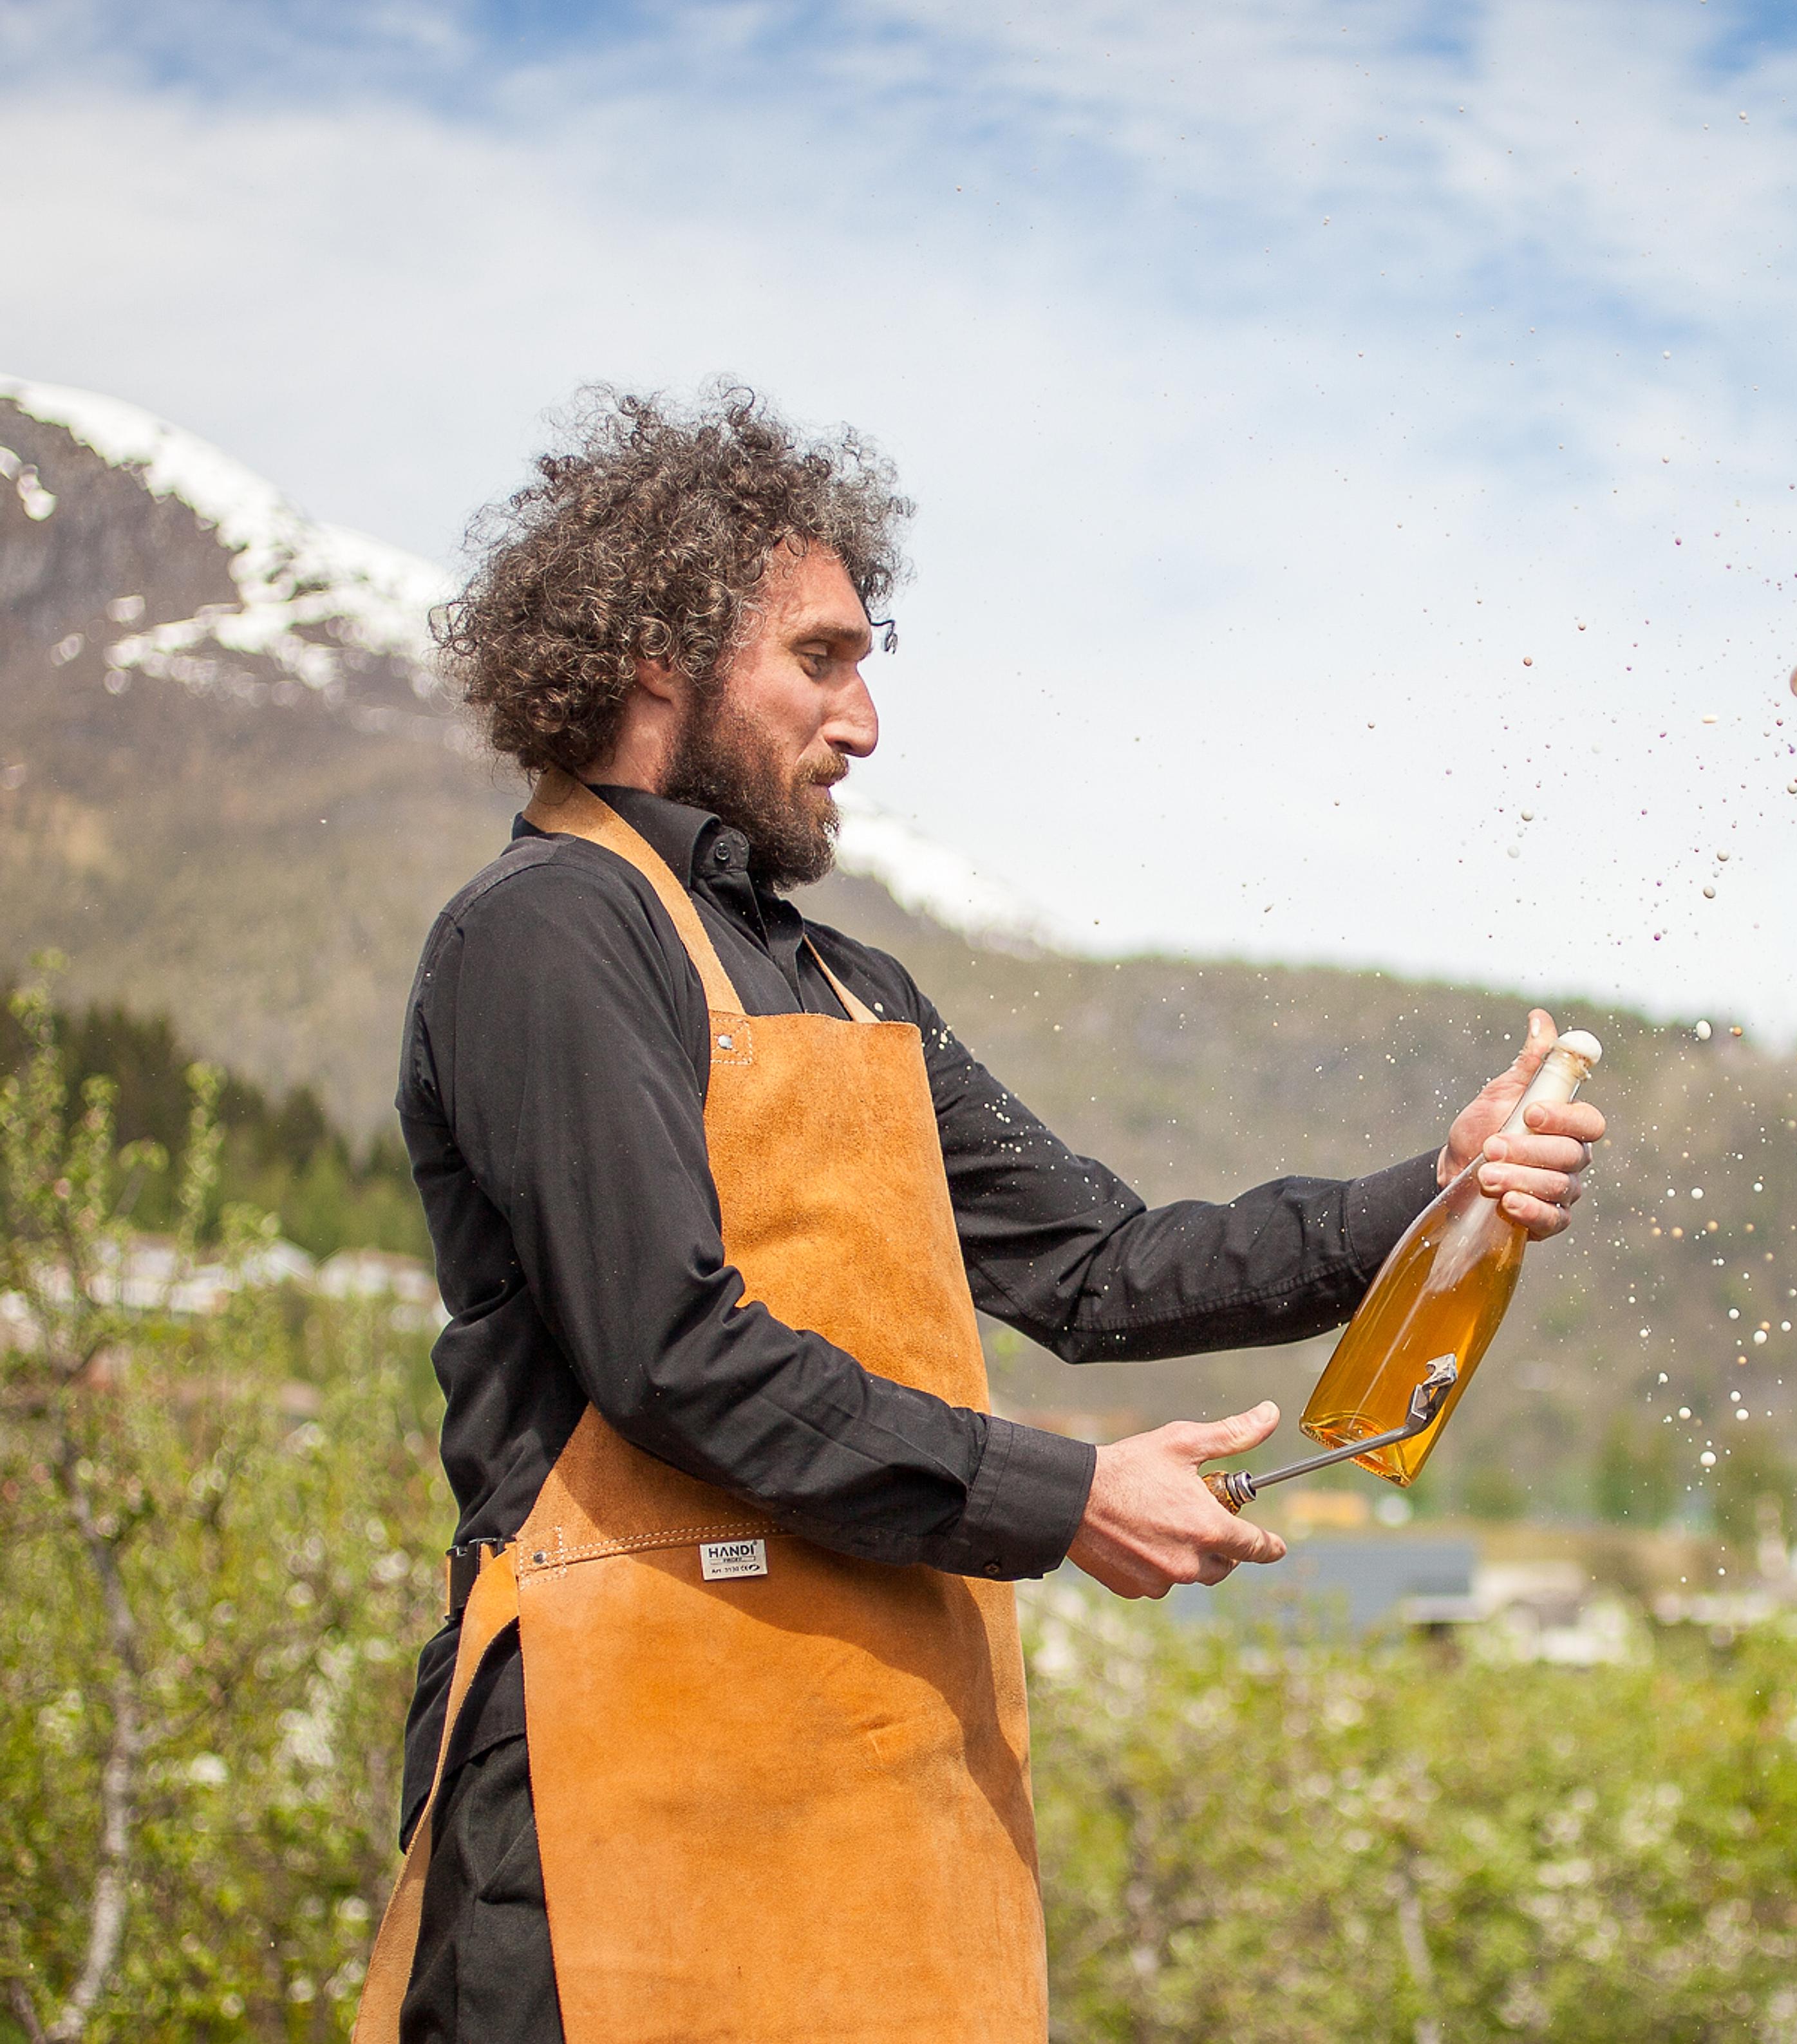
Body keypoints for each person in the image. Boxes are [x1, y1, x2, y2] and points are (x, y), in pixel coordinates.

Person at [354, 384, 1605, 2044]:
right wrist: (1065, 1493)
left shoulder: (846, 981)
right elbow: (669, 1353)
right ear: (657, 656)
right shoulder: (549, 931)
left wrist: (1425, 1201)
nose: (862, 723)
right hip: (616, 1747)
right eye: (822, 658)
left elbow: (1093, 1269)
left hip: (882, 1744)